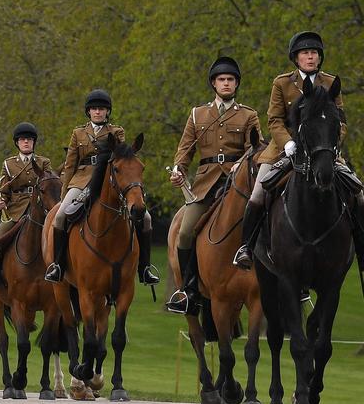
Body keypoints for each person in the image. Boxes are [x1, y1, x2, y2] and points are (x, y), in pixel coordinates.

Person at [234, 31, 364, 273]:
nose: (311, 57)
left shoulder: (330, 82)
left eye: (314, 53)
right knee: (257, 195)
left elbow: (341, 121)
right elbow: (274, 120)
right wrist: (287, 143)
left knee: (359, 195)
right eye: (305, 53)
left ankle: (361, 248)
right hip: (283, 150)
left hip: (324, 150)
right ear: (296, 58)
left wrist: (333, 143)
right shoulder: (282, 83)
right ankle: (246, 248)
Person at [165, 58, 260, 314]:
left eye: (230, 80)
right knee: (185, 232)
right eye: (222, 80)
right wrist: (178, 171)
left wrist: (240, 167)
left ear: (236, 84)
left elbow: (256, 149)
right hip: (206, 183)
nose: (226, 83)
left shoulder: (248, 115)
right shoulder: (197, 114)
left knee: (268, 218)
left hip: (237, 181)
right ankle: (188, 289)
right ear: (213, 84)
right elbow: (184, 151)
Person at [45, 90, 159, 286]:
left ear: (108, 112)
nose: (98, 112)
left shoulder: (117, 132)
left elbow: (124, 159)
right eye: (94, 109)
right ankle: (58, 265)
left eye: (102, 109)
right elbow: (70, 164)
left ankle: (144, 268)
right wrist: (64, 194)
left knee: (146, 218)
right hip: (81, 180)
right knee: (61, 216)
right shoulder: (78, 133)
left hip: (108, 180)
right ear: (88, 112)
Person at [0, 122, 55, 300]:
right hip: (16, 211)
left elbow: (50, 186)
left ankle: (60, 273)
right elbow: (2, 190)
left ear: (34, 142)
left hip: (40, 209)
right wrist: (0, 201)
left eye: (29, 139)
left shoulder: (44, 162)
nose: (26, 142)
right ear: (17, 143)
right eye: (22, 140)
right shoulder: (9, 164)